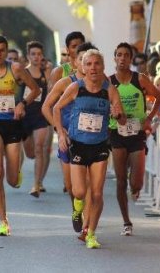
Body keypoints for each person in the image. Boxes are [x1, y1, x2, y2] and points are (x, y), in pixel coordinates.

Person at [53, 49, 126, 249]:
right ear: (83, 68)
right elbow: (56, 108)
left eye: (97, 64)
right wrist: (61, 133)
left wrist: (118, 114)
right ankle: (77, 208)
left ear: (103, 67)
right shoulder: (76, 87)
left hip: (100, 146)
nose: (93, 67)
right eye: (89, 64)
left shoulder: (109, 89)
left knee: (96, 193)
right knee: (78, 191)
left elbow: (122, 118)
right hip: (78, 145)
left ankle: (91, 233)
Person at [0, 35, 40, 236]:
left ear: (6, 51)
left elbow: (36, 89)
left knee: (12, 180)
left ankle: (17, 170)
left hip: (13, 125)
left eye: (2, 50)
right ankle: (3, 221)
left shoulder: (17, 69)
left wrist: (22, 103)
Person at [42, 42, 97, 237]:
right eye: (82, 60)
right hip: (69, 141)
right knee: (74, 188)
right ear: (75, 62)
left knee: (91, 185)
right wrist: (60, 131)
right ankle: (77, 210)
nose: (86, 64)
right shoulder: (66, 83)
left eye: (90, 61)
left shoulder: (103, 84)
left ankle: (87, 229)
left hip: (92, 140)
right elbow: (46, 107)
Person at [109, 42, 160, 236]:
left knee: (136, 182)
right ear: (114, 58)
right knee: (121, 179)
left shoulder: (139, 79)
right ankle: (126, 221)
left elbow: (159, 96)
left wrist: (149, 118)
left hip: (137, 131)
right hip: (116, 132)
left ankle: (136, 187)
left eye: (126, 55)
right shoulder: (108, 83)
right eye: (119, 55)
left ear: (131, 59)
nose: (122, 58)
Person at [21, 41, 52, 197]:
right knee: (30, 154)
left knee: (40, 149)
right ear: (28, 56)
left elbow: (52, 90)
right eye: (33, 54)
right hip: (25, 117)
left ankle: (36, 185)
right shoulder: (22, 73)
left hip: (40, 116)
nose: (36, 57)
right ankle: (36, 181)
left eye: (39, 54)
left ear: (42, 56)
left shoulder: (46, 74)